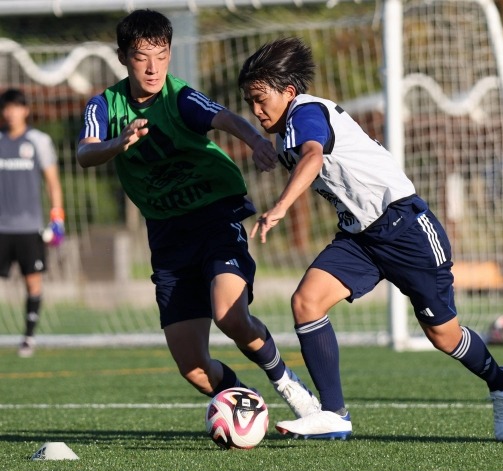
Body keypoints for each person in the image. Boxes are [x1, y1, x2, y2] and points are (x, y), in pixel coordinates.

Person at [238, 37, 503, 441]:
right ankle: (334, 413)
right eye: (250, 101)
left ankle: (500, 381)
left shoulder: (307, 111)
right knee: (306, 302)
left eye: (261, 99)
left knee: (444, 335)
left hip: (406, 228)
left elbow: (314, 154)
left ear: (289, 92)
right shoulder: (286, 131)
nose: (256, 109)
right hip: (360, 238)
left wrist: (281, 206)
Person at [76, 10, 320, 418]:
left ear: (170, 54)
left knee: (230, 314)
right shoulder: (104, 105)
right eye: (141, 57)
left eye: (162, 55)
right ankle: (246, 408)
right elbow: (85, 152)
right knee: (192, 367)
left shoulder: (178, 96)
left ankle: (287, 383)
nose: (153, 67)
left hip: (213, 218)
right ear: (122, 57)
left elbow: (224, 117)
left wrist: (257, 141)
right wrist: (118, 143)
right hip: (168, 236)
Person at [0, 88, 65, 358]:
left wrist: (57, 219)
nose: (10, 112)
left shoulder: (38, 141)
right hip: (1, 228)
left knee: (33, 283)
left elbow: (52, 181)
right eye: (6, 107)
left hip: (29, 228)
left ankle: (28, 337)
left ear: (25, 110)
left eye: (16, 107)